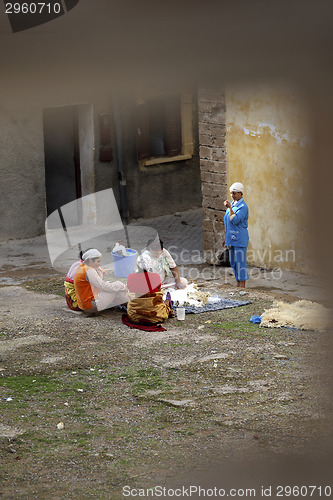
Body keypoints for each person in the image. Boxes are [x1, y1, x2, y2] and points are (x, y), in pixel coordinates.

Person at [74, 249, 129, 315]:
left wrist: (98, 268)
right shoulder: (89, 271)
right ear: (91, 260)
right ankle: (132, 306)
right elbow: (102, 285)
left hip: (85, 305)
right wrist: (121, 286)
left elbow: (99, 283)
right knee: (118, 287)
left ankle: (130, 305)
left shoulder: (82, 267)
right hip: (90, 306)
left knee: (115, 287)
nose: (99, 264)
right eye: (98, 261)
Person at [125, 254, 174, 324]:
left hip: (134, 316)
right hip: (155, 315)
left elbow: (128, 291)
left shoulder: (131, 277)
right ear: (150, 265)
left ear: (137, 265)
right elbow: (158, 291)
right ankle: (168, 302)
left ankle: (167, 302)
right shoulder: (156, 277)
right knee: (163, 302)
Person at [223, 182, 249, 288]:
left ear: (240, 193)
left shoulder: (243, 207)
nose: (232, 196)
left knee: (240, 262)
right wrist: (226, 238)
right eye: (231, 193)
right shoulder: (232, 204)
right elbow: (227, 222)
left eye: (234, 193)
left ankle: (242, 284)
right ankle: (237, 282)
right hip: (231, 238)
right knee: (233, 262)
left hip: (239, 239)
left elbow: (235, 220)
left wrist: (229, 208)